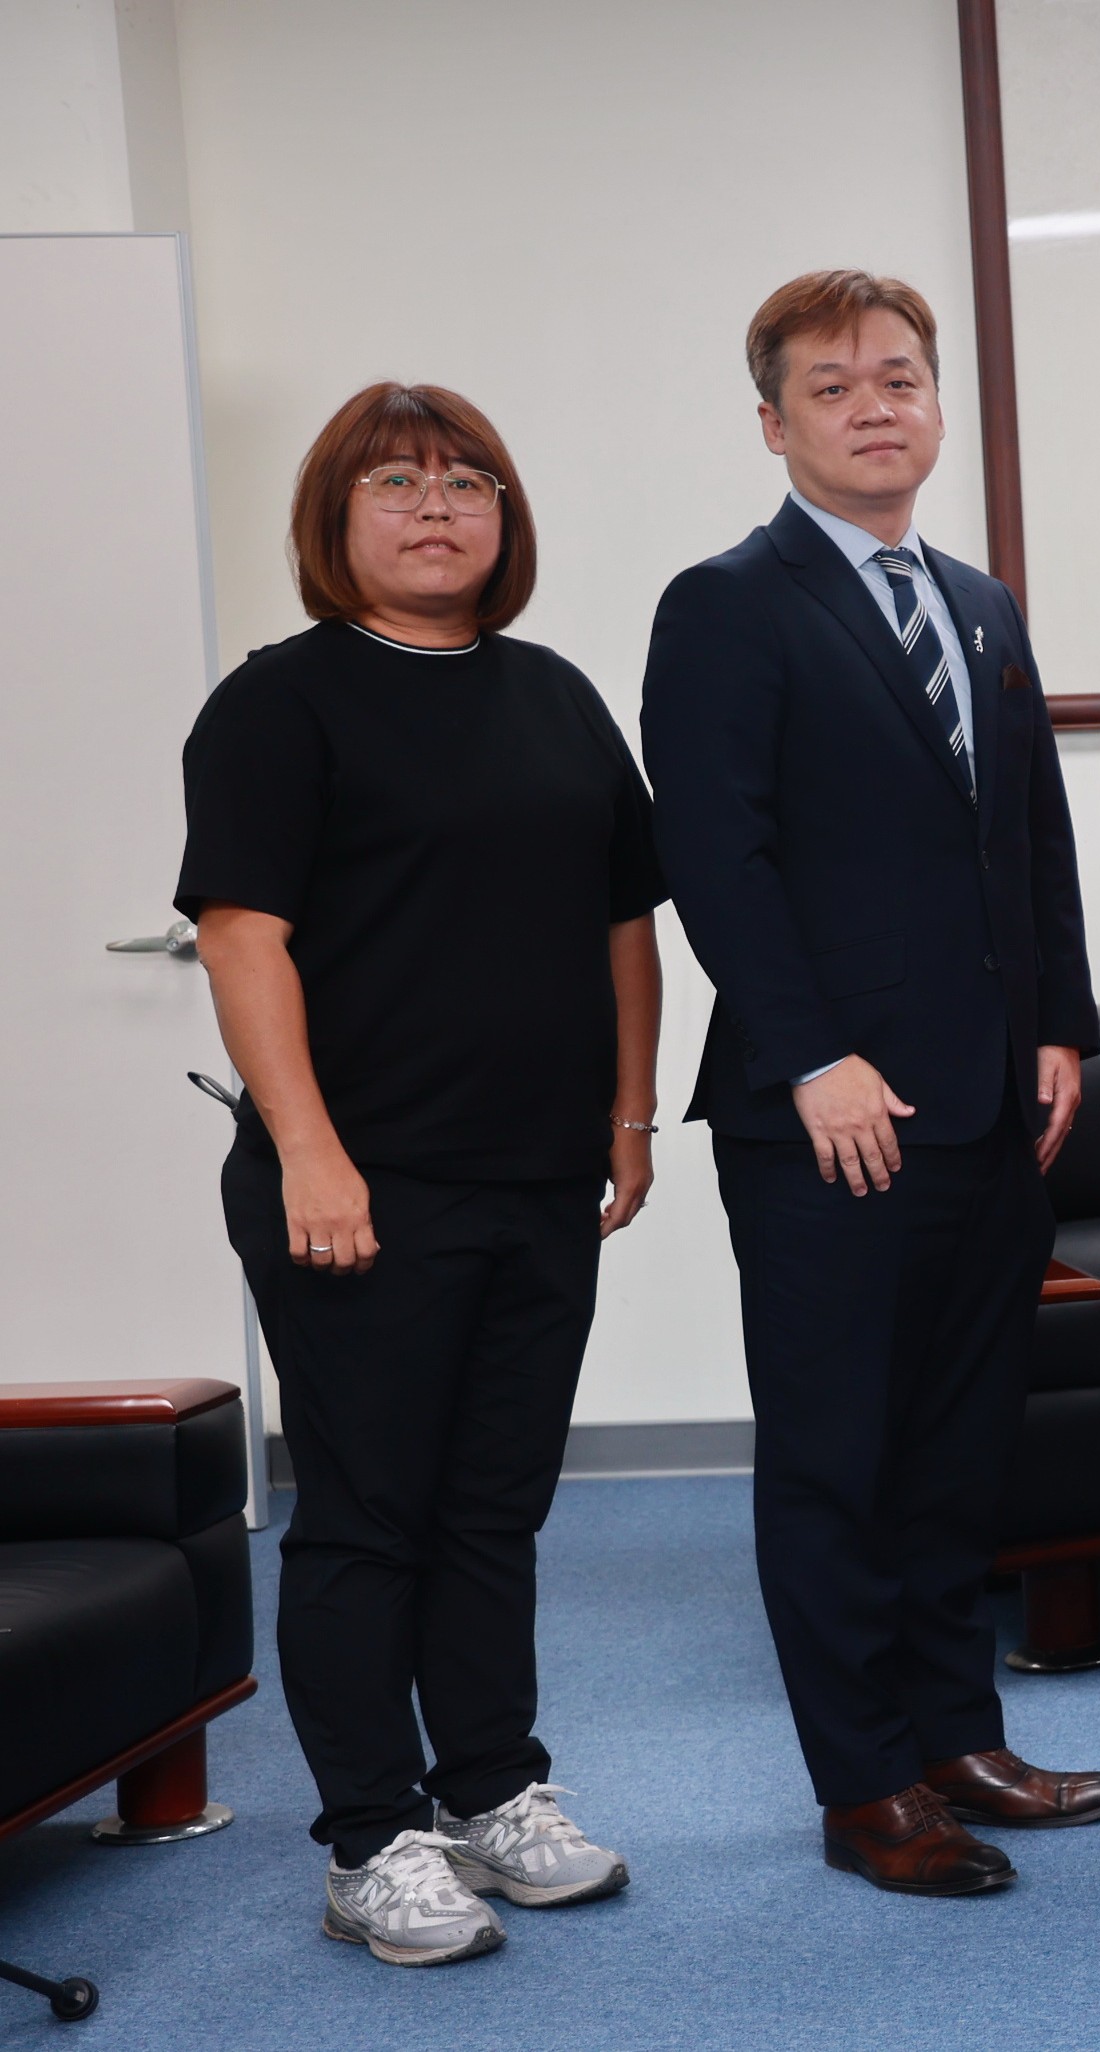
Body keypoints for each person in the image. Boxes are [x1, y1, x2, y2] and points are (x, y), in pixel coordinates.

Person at [641, 271, 1100, 1895]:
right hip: (825, 1122)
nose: (875, 407)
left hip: (989, 1105)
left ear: (936, 404)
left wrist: (1057, 1023)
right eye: (835, 386)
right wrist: (811, 1054)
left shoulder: (980, 604)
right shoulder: (729, 604)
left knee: (959, 1451)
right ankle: (865, 1790)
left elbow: (1030, 834)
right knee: (838, 1458)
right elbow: (717, 857)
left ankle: (955, 1741)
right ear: (774, 422)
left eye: (900, 378)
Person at [180, 383, 655, 1966]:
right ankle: (370, 1837)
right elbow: (242, 939)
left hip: (536, 1177)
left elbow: (623, 923)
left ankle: (491, 1789)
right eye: (394, 481)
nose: (435, 507)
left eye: (467, 482)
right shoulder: (280, 704)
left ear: (506, 517)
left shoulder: (555, 697)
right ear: (335, 519)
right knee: (369, 1516)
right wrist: (310, 1153)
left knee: (493, 1509)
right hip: (362, 1187)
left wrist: (630, 1116)